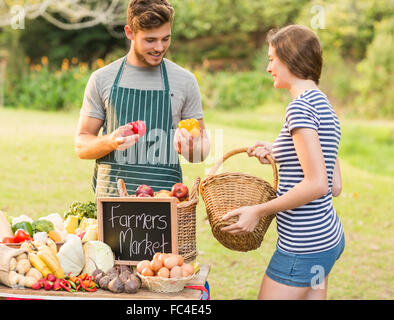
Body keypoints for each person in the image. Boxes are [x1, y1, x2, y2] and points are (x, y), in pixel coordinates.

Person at [221, 25, 345, 300]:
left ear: (290, 59)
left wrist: (258, 211)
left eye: (271, 59)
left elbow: (317, 184)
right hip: (327, 241)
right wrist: (278, 151)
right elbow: (334, 184)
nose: (268, 68)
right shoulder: (324, 105)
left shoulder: (299, 108)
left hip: (302, 247)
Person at [75, 0, 210, 197]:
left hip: (165, 205)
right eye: (150, 40)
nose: (159, 47)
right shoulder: (102, 79)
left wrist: (190, 147)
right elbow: (81, 146)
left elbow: (201, 151)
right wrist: (111, 141)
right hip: (112, 203)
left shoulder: (185, 81)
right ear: (129, 32)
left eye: (166, 39)